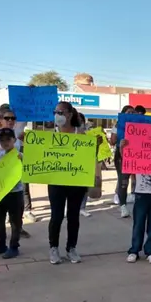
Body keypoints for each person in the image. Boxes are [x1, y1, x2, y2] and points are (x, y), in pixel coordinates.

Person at [48, 102, 93, 264]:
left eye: (60, 112)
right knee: (56, 216)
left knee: (73, 216)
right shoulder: (50, 135)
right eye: (55, 112)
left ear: (69, 114)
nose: (57, 115)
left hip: (76, 181)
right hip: (56, 181)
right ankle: (53, 248)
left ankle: (71, 248)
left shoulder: (81, 135)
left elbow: (88, 157)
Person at [0, 104, 31, 238]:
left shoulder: (19, 134)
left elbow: (28, 158)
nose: (10, 120)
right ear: (0, 119)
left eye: (13, 118)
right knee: (0, 216)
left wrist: (26, 144)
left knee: (16, 213)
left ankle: (17, 233)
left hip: (16, 183)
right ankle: (1, 238)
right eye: (7, 118)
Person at [0, 127, 24, 259]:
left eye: (8, 139)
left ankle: (14, 247)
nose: (5, 142)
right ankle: (1, 245)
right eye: (2, 140)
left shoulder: (19, 155)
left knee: (15, 222)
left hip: (15, 193)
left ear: (14, 140)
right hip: (0, 193)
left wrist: (22, 159)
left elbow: (28, 169)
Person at [123, 145, 151, 264]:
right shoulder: (138, 152)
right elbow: (127, 158)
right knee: (139, 223)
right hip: (141, 192)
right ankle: (134, 250)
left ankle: (150, 251)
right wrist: (123, 147)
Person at [110, 105, 136, 218]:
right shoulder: (118, 126)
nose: (131, 114)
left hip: (136, 155)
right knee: (123, 180)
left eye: (133, 112)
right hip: (122, 155)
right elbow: (112, 141)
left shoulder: (139, 125)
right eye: (128, 112)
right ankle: (123, 206)